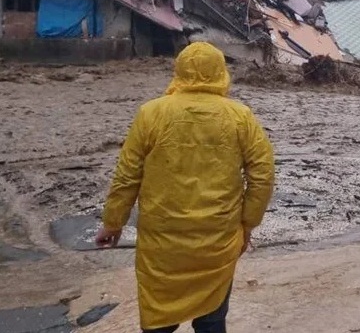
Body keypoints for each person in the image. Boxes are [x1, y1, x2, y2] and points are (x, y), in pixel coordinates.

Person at [96, 42, 275, 333]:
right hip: (218, 237)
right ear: (220, 72)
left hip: (161, 241)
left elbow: (127, 175)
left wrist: (113, 223)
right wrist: (247, 224)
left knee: (159, 318)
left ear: (178, 71)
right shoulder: (240, 116)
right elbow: (263, 174)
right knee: (212, 320)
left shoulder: (151, 113)